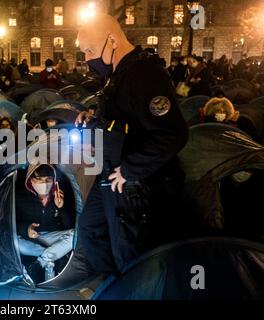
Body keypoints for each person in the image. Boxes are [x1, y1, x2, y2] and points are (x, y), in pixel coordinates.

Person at [75, 14, 188, 275]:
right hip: (111, 173)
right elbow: (123, 119)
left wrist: (130, 170)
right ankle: (114, 286)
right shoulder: (119, 74)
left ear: (112, 40)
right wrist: (93, 119)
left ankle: (131, 288)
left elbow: (174, 135)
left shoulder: (145, 74)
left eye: (90, 50)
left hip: (130, 182)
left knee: (127, 249)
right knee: (90, 229)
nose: (87, 59)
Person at [16, 164, 74, 281]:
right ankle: (55, 254)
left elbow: (69, 225)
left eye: (48, 179)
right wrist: (26, 229)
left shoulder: (59, 196)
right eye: (39, 179)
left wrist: (61, 207)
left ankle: (38, 264)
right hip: (29, 239)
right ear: (30, 180)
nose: (44, 183)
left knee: (76, 234)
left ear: (54, 180)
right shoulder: (20, 197)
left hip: (51, 237)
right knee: (14, 242)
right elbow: (11, 223)